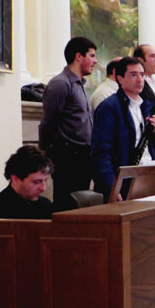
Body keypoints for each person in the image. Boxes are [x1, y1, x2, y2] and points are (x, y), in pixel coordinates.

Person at [39, 36, 97, 211]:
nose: (95, 61)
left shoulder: (80, 85)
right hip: (67, 155)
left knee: (81, 204)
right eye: (92, 56)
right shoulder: (60, 84)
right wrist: (44, 150)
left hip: (83, 155)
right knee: (66, 204)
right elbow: (49, 120)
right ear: (79, 57)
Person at [90, 56, 155, 202]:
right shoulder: (109, 107)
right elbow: (101, 153)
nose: (140, 80)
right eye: (133, 75)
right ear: (120, 78)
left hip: (147, 177)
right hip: (123, 182)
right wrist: (111, 188)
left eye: (142, 75)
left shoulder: (146, 107)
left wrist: (154, 131)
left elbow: (148, 146)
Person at [0, 145, 54, 219]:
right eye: (37, 182)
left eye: (45, 180)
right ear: (15, 179)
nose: (43, 188)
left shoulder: (45, 206)